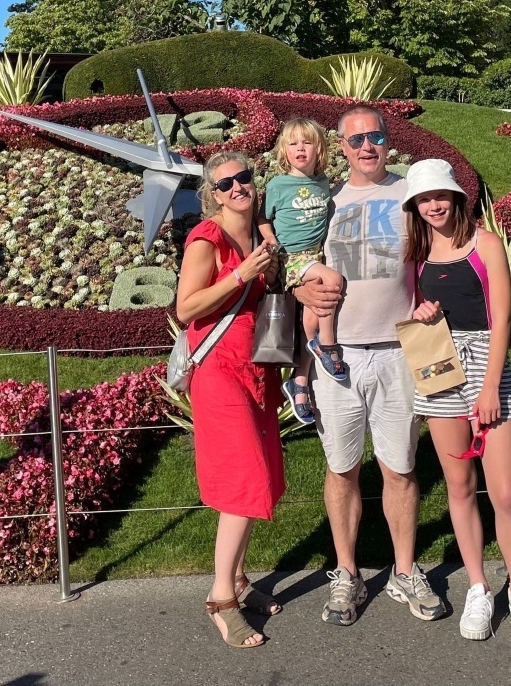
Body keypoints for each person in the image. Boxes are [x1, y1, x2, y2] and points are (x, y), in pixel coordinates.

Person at [292, 105, 446, 626]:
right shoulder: (323, 200)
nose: (366, 147)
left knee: (400, 467)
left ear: (388, 141)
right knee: (341, 468)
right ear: (341, 146)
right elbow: (294, 260)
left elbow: (443, 255)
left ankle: (405, 571)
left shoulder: (411, 194)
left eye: (375, 137)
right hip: (337, 356)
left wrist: (437, 303)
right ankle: (347, 573)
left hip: (401, 350)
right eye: (356, 140)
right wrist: (300, 287)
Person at [404, 158, 511, 642]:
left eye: (440, 195)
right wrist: (420, 309)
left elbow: (501, 320)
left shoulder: (485, 244)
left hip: (484, 365)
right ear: (415, 204)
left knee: (505, 493)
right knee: (458, 486)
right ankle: (479, 586)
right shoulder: (416, 253)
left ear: (456, 197)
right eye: (423, 198)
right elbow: (408, 308)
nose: (433, 205)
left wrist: (492, 386)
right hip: (437, 366)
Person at [176, 151, 286, 649]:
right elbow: (185, 309)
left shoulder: (260, 231)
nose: (238, 187)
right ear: (213, 194)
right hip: (219, 371)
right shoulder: (208, 239)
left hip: (257, 369)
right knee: (245, 481)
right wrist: (241, 275)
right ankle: (221, 599)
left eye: (244, 178)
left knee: (263, 474)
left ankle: (239, 579)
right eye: (226, 184)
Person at [262, 117, 346, 426]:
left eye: (307, 142)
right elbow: (262, 218)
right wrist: (270, 239)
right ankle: (329, 346)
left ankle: (299, 384)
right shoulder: (278, 185)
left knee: (312, 317)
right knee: (333, 281)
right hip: (292, 259)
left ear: (319, 149)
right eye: (293, 143)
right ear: (284, 150)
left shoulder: (323, 183)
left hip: (315, 255)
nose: (300, 148)